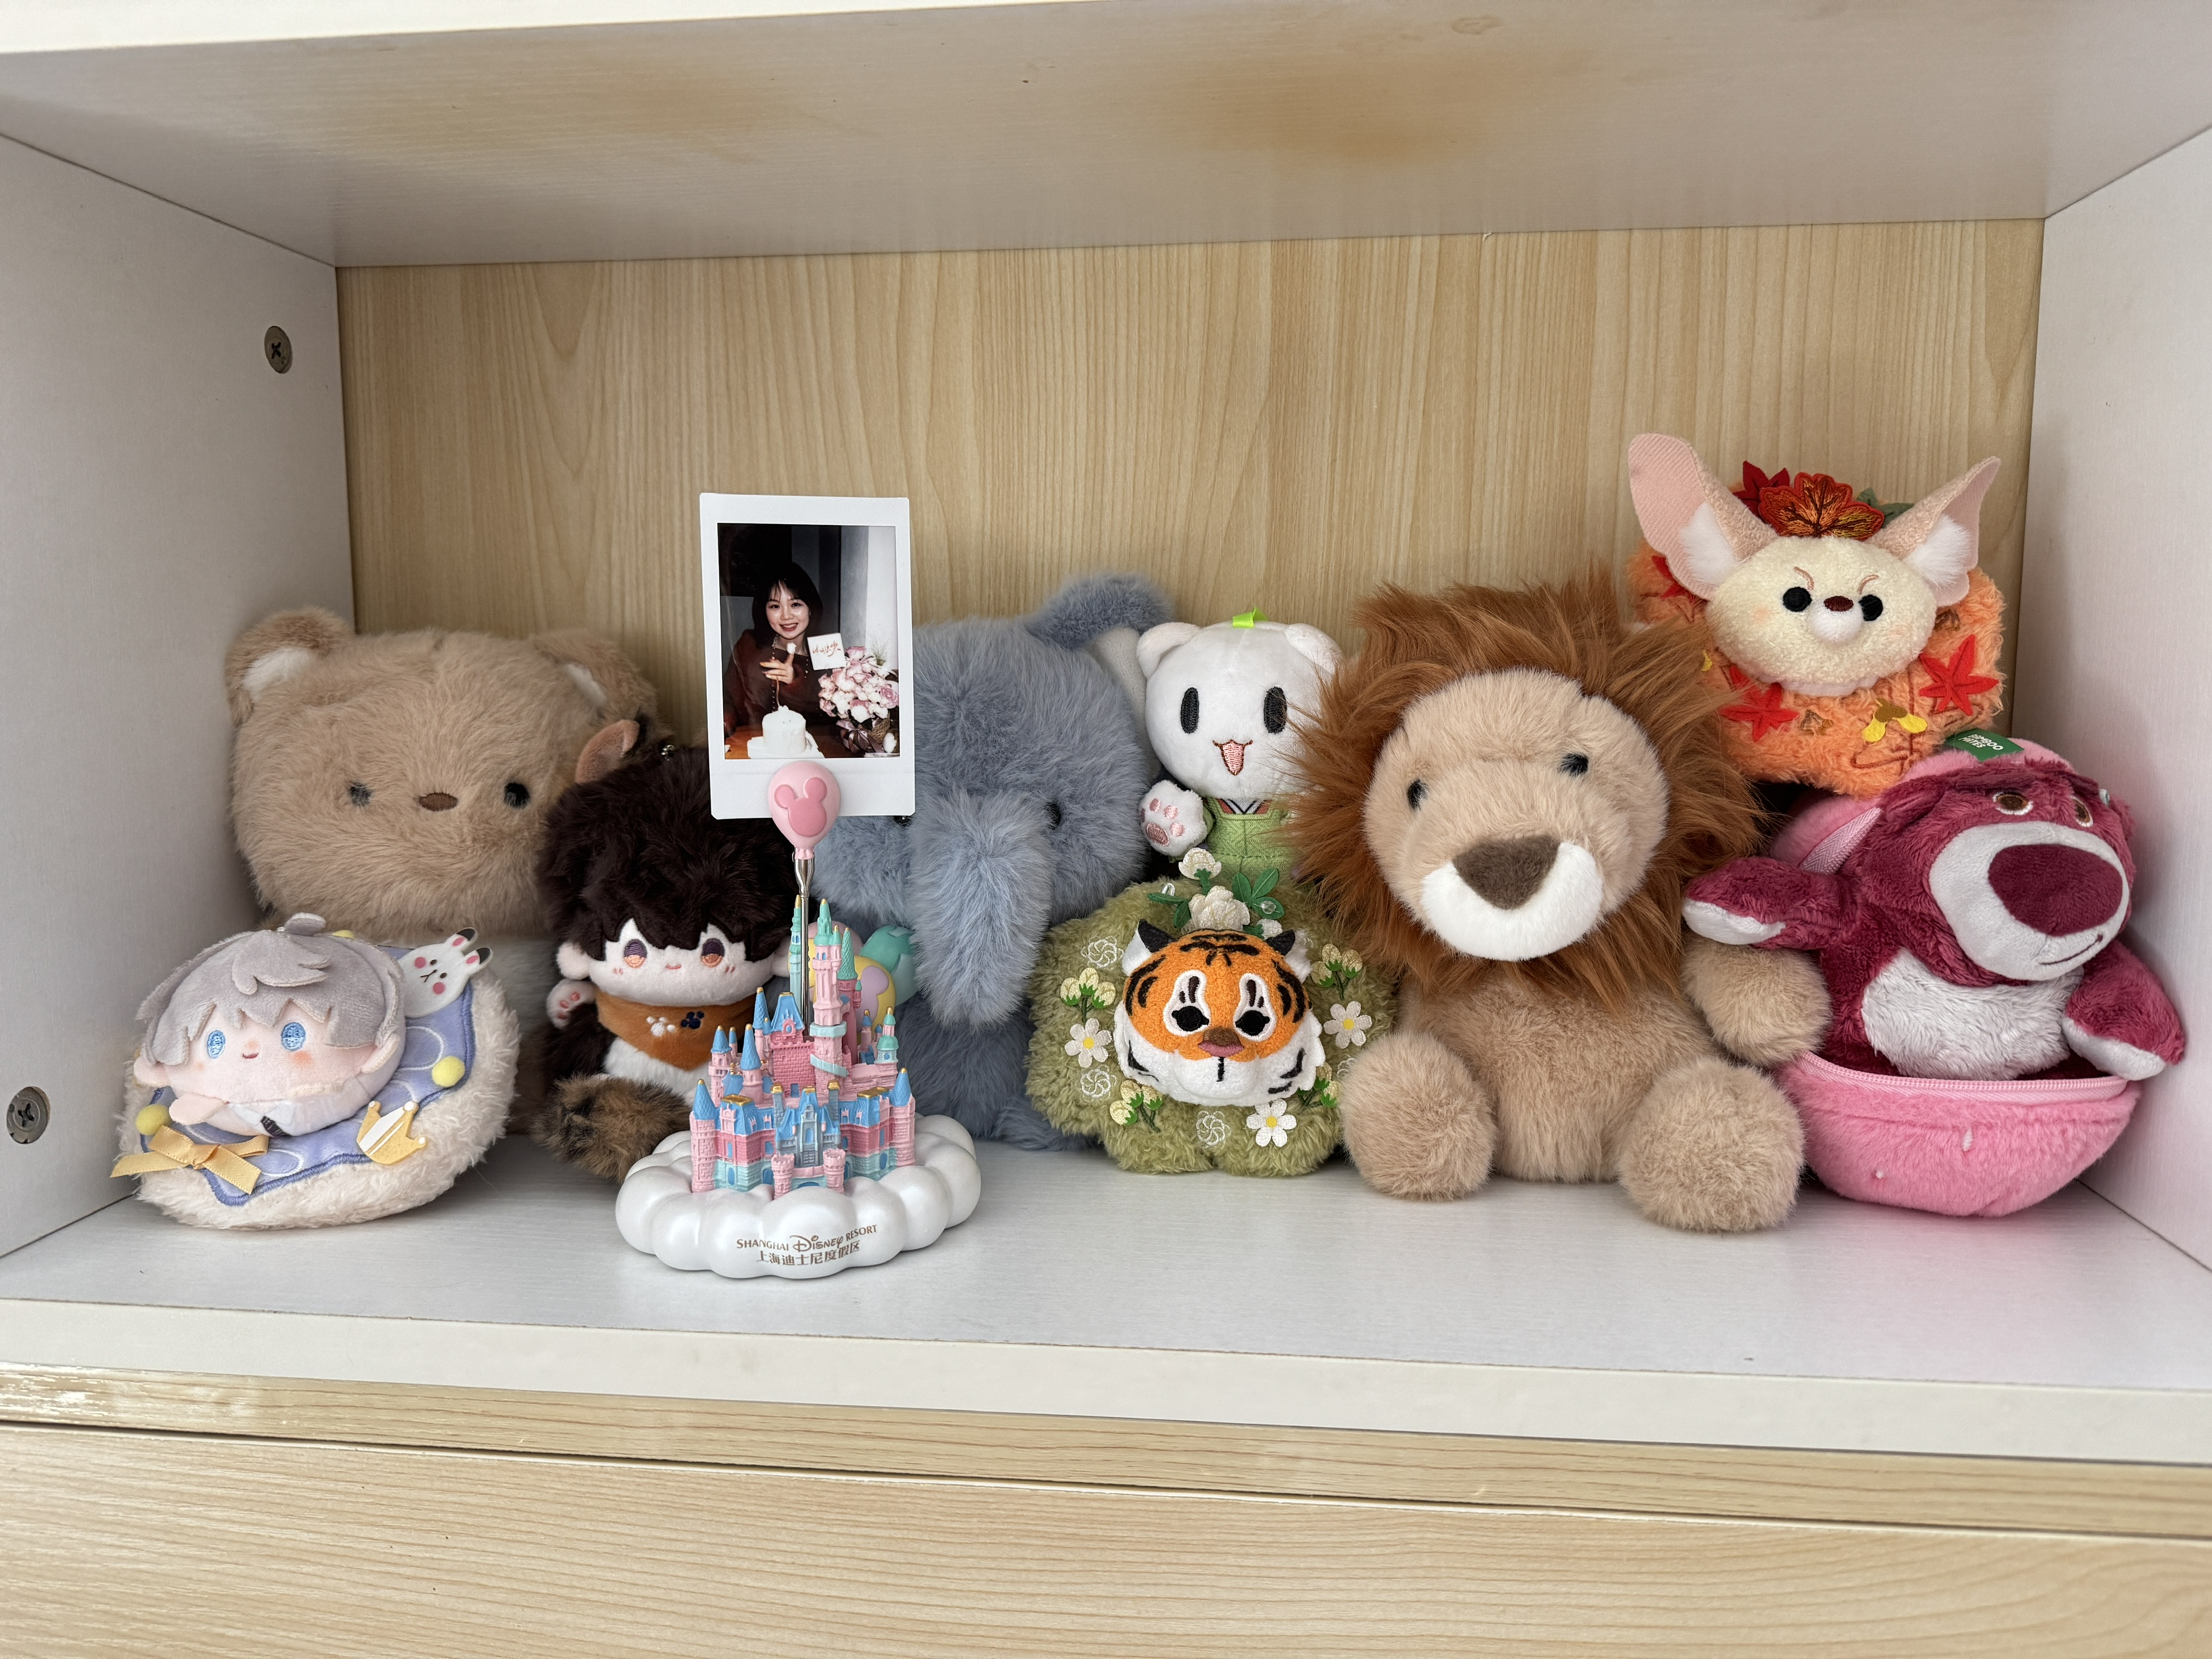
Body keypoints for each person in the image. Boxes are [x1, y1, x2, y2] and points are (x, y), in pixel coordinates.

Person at [724, 562, 852, 755]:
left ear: (811, 608)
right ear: (764, 610)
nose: (786, 616)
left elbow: (834, 715)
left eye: (796, 604)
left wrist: (796, 681)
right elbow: (728, 698)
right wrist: (724, 720)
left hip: (812, 754)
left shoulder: (828, 650)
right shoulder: (749, 646)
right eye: (775, 606)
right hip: (754, 749)